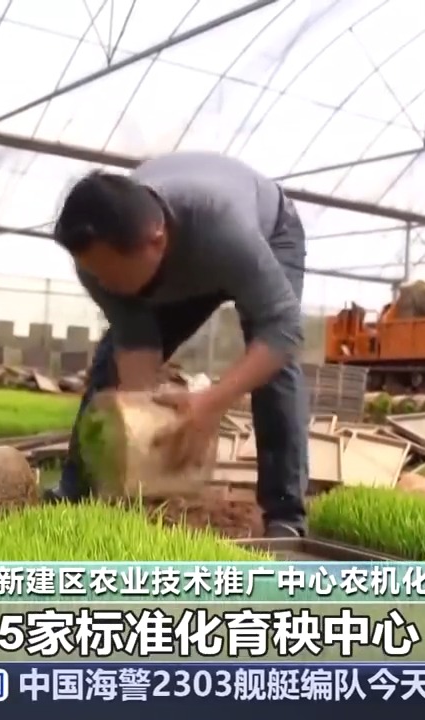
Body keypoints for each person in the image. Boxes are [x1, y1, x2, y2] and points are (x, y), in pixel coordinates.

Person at [46, 152, 310, 539]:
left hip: (268, 233)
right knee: (109, 367)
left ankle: (285, 513)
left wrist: (212, 402)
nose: (101, 286)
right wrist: (133, 424)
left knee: (274, 367)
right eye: (93, 273)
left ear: (156, 241)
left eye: (110, 275)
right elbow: (135, 336)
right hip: (178, 263)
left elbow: (284, 329)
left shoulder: (223, 227)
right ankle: (80, 489)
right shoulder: (98, 261)